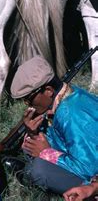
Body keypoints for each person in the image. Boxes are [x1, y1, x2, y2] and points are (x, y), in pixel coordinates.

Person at [10, 56, 98, 194]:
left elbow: (89, 169)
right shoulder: (61, 99)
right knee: (30, 147)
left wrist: (47, 153)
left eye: (29, 99)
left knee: (40, 170)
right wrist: (34, 134)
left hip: (93, 176)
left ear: (49, 91)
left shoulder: (71, 114)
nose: (27, 105)